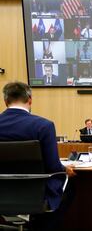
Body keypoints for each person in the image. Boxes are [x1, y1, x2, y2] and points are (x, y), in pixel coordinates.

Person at [0, 82, 75, 230]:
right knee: (69, 188)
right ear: (30, 100)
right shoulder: (43, 126)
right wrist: (65, 169)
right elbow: (53, 166)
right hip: (34, 195)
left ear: (5, 101)